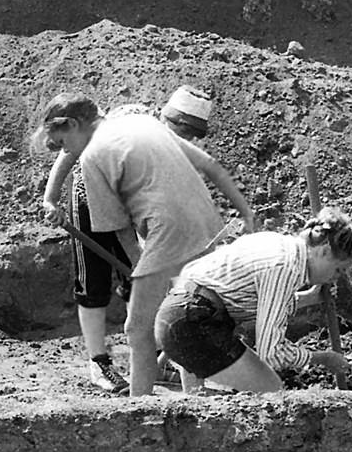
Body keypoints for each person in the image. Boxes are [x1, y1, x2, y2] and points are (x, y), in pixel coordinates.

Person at [35, 92, 256, 397]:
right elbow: (73, 155)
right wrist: (51, 198)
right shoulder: (126, 121)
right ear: (169, 118)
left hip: (146, 214)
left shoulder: (154, 139)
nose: (188, 137)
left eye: (193, 134)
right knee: (95, 281)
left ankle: (161, 377)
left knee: (163, 301)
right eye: (185, 130)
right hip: (94, 197)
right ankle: (102, 363)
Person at [155, 207, 352, 393]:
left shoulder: (279, 245)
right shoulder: (285, 267)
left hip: (181, 310)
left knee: (197, 408)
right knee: (271, 389)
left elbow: (260, 302)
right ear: (325, 251)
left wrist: (308, 298)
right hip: (194, 322)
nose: (334, 278)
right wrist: (322, 358)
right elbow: (272, 353)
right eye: (337, 270)